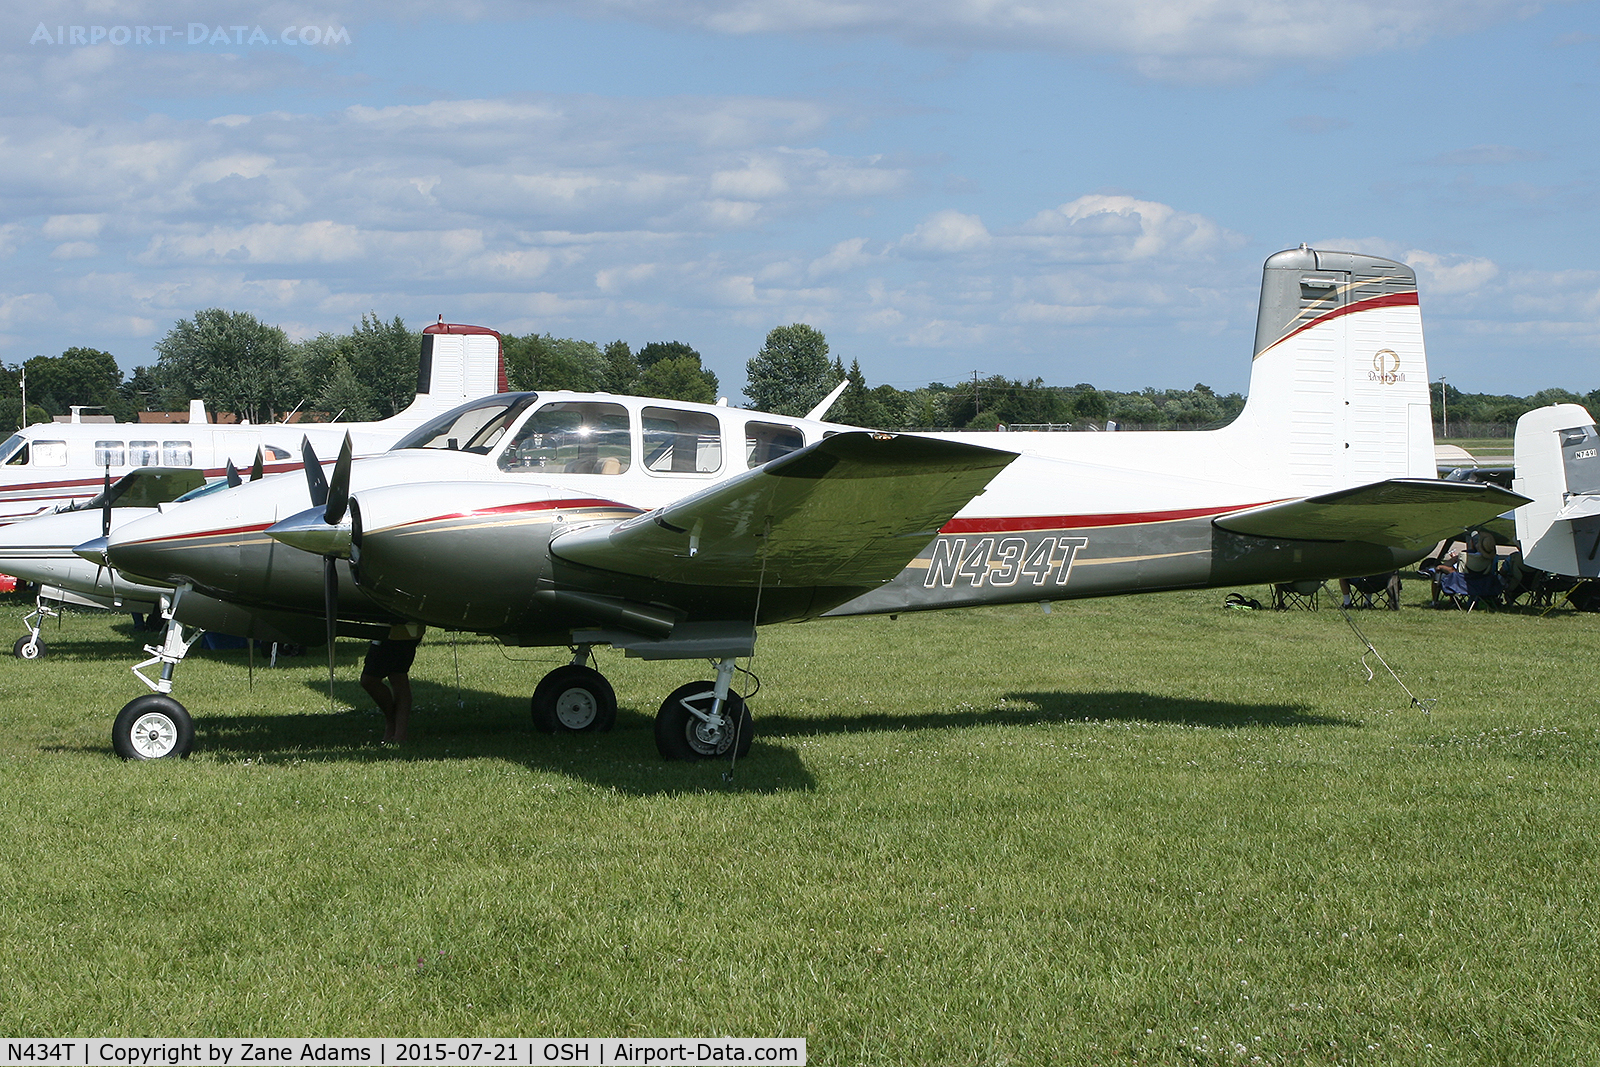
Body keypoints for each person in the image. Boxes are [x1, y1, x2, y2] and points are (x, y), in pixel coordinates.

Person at [360, 622, 425, 743]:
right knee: (398, 676)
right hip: (401, 629)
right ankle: (398, 732)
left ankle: (395, 727)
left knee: (371, 679)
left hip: (396, 631)